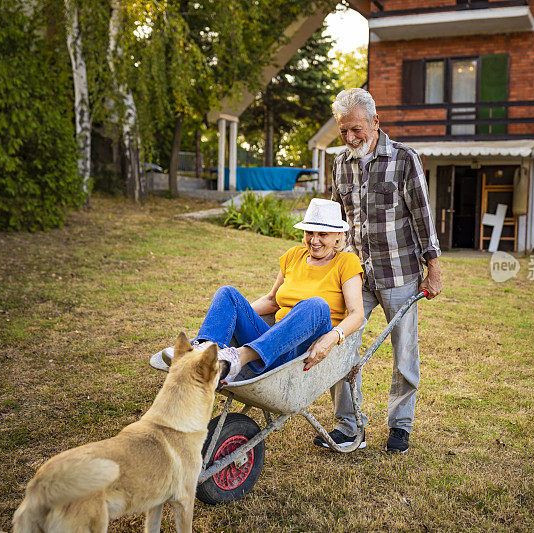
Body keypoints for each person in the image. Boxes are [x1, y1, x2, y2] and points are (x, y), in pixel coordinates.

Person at [317, 87, 443, 454]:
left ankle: (400, 426)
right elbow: (336, 222)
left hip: (400, 273)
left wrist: (432, 269)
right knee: (340, 345)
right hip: (356, 274)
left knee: (404, 353)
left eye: (356, 129)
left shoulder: (404, 159)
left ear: (375, 121)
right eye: (344, 131)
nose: (351, 137)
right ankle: (348, 427)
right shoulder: (340, 163)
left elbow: (423, 216)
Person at [155, 199, 365, 388]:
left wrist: (331, 337)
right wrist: (234, 315)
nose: (314, 240)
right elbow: (272, 300)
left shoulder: (346, 262)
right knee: (227, 293)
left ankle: (237, 358)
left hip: (301, 355)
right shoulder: (294, 256)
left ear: (338, 235)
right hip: (271, 343)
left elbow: (357, 314)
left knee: (316, 305)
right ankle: (205, 354)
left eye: (323, 234)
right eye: (310, 232)